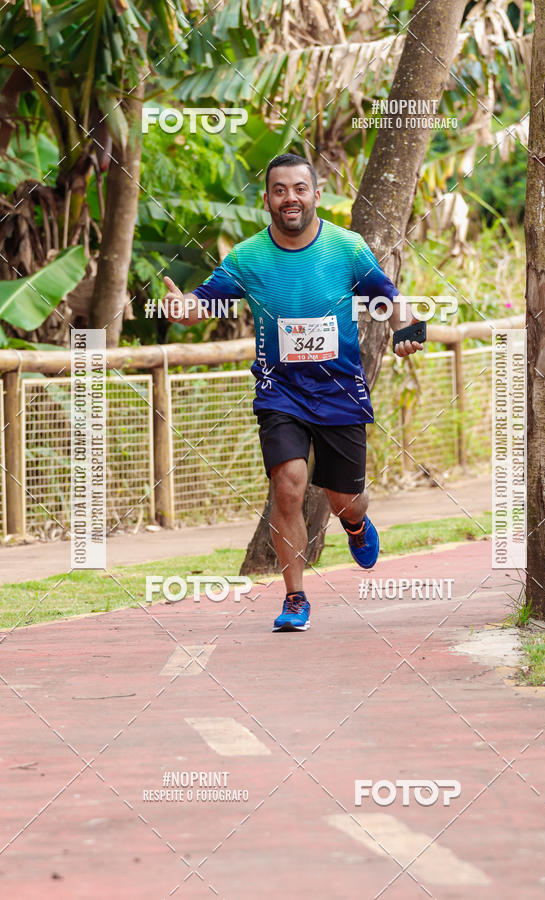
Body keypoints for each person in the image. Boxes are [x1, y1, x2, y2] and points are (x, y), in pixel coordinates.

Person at [162, 153, 423, 633]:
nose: (290, 199)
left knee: (344, 498)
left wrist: (411, 328)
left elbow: (389, 297)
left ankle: (356, 524)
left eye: (299, 189)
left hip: (339, 391)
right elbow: (203, 302)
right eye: (279, 190)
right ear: (267, 199)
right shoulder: (247, 257)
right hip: (279, 391)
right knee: (288, 485)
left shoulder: (347, 248)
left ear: (316, 195)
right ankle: (295, 598)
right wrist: (183, 308)